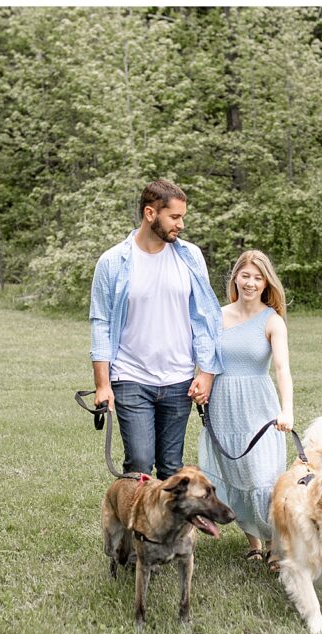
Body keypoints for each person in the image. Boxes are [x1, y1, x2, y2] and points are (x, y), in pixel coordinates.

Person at [89, 179, 223, 479]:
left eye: (182, 217)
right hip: (130, 377)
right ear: (150, 213)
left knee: (171, 468)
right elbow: (100, 324)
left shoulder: (191, 257)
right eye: (174, 217)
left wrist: (206, 372)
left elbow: (206, 319)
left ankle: (167, 528)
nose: (182, 224)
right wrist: (102, 385)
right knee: (139, 463)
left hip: (179, 380)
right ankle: (136, 526)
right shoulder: (112, 262)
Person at [197, 250, 292, 570]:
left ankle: (275, 544)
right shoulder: (217, 317)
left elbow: (282, 369)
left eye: (258, 277)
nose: (251, 283)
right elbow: (205, 362)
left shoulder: (272, 320)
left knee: (263, 477)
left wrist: (287, 410)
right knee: (235, 476)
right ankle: (253, 544)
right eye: (245, 275)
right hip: (223, 405)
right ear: (235, 277)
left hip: (259, 407)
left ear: (267, 282)